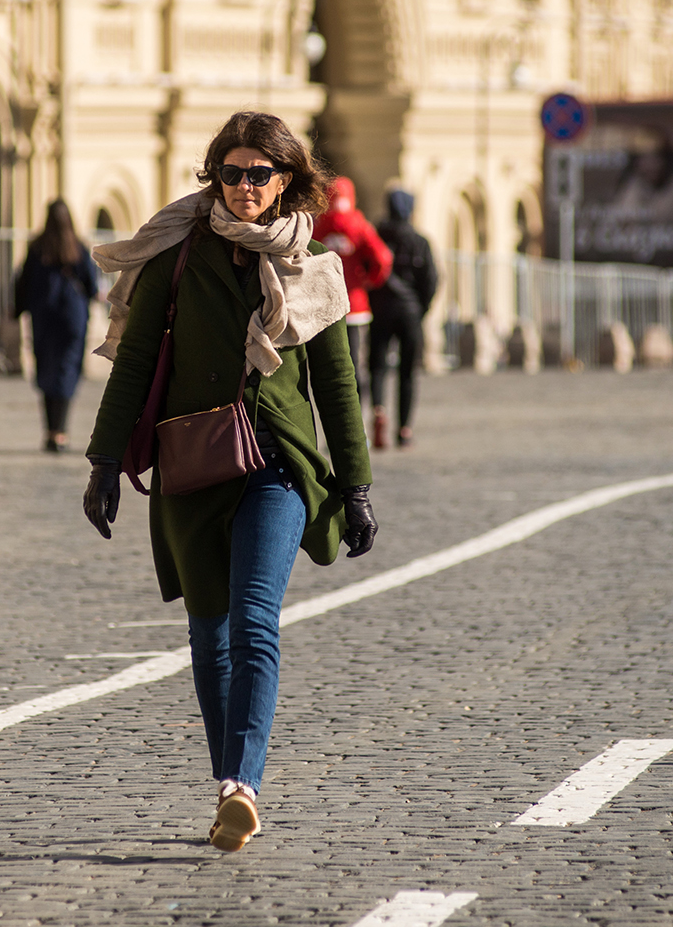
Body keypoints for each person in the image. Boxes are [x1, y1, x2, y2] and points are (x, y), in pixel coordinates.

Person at [82, 111, 376, 853]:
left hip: (277, 465)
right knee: (209, 633)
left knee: (252, 622)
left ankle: (242, 784)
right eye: (233, 172)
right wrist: (103, 464)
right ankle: (227, 789)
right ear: (215, 174)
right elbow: (139, 360)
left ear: (286, 183)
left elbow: (336, 384)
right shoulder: (175, 256)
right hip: (193, 464)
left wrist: (356, 484)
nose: (245, 187)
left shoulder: (316, 268)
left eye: (260, 174)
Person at [14, 199, 98, 452]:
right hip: (72, 318)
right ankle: (61, 432)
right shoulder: (78, 248)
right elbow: (91, 285)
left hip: (44, 318)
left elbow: (23, 283)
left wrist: (18, 310)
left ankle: (50, 431)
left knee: (46, 370)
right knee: (67, 371)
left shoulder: (38, 248)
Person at [368, 187, 437, 449]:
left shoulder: (376, 236)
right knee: (407, 372)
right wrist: (421, 309)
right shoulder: (419, 240)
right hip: (410, 312)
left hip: (380, 309)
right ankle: (405, 429)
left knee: (377, 367)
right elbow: (431, 280)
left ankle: (378, 410)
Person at [312, 177, 391, 399]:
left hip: (325, 305)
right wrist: (369, 281)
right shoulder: (359, 224)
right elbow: (383, 258)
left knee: (328, 363)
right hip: (355, 304)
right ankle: (357, 409)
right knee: (355, 363)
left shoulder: (319, 226)